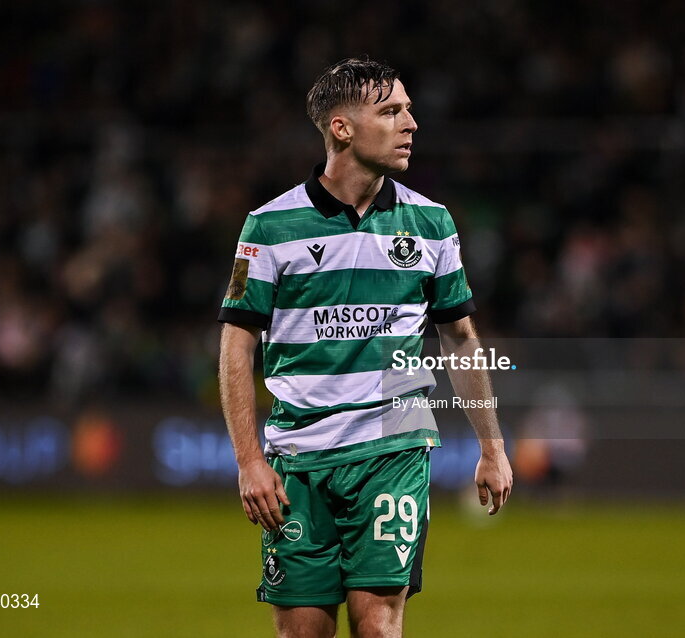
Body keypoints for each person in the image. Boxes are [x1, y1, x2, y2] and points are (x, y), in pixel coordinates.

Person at [217, 57, 513, 638]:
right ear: (342, 129)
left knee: (377, 627)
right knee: (303, 631)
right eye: (391, 111)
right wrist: (250, 460)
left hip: (394, 449)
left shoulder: (431, 223)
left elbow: (459, 338)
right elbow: (236, 344)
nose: (411, 123)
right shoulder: (269, 228)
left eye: (407, 109)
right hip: (298, 458)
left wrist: (492, 446)